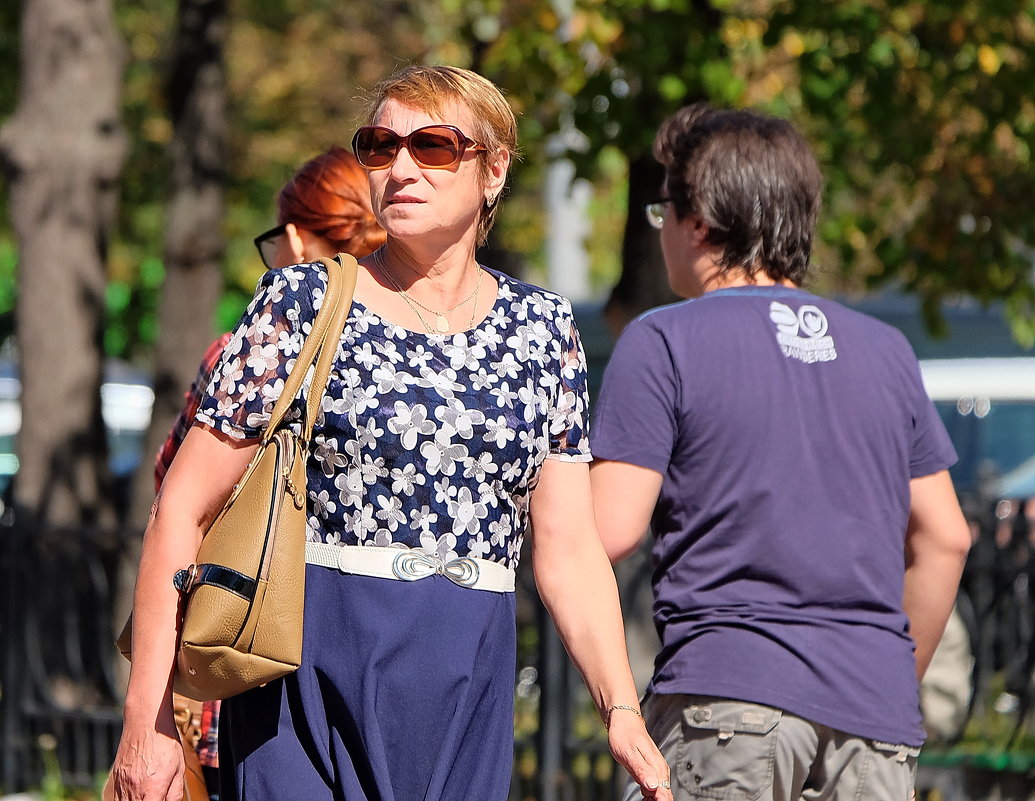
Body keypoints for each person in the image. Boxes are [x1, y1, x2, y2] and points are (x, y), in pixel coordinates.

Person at [110, 65, 672, 801]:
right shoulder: (302, 300)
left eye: (433, 146)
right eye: (379, 146)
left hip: (466, 674)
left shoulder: (543, 327)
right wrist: (146, 719)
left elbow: (567, 547)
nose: (401, 166)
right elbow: (179, 507)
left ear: (493, 169)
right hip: (306, 674)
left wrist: (620, 708)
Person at [589, 103, 973, 801]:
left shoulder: (664, 339)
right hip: (872, 716)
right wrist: (881, 676)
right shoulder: (885, 350)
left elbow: (605, 532)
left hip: (727, 700)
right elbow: (945, 536)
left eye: (660, 211)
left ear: (698, 220)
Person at [149, 146, 386, 799]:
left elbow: (175, 498)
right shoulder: (410, 370)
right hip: (377, 670)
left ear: (293, 238)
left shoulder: (240, 357)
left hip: (240, 658)